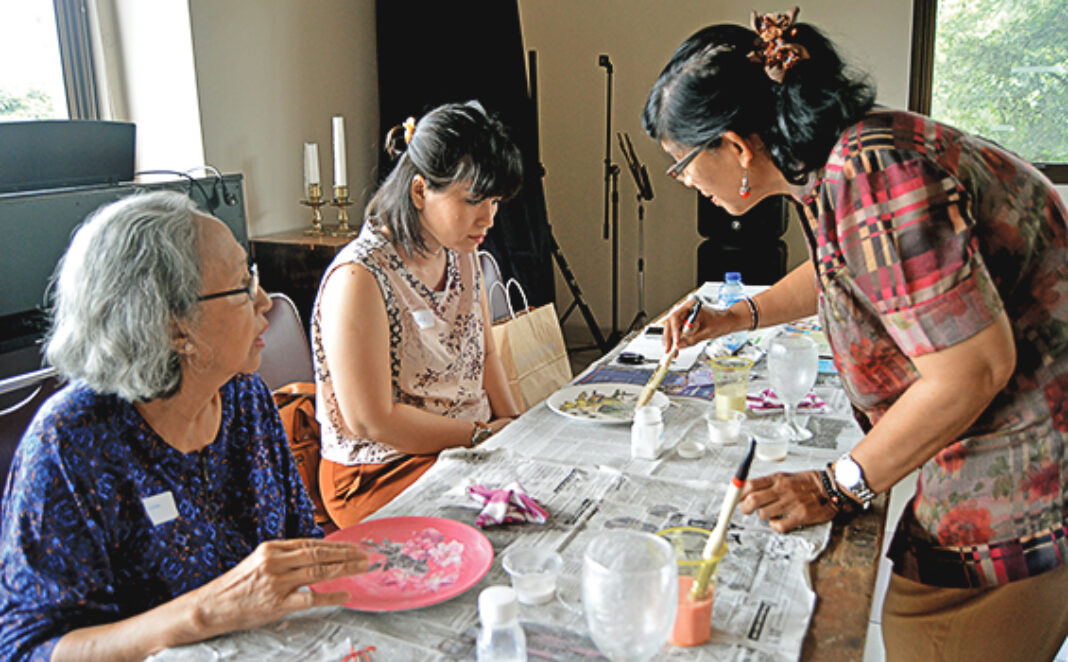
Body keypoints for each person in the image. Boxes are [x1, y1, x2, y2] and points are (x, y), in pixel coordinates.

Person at [644, 8, 1068, 660]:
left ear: (734, 147)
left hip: (1029, 459)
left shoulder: (875, 176)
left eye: (681, 164)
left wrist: (836, 484)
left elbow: (973, 370)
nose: (686, 183)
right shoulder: (840, 161)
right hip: (1007, 434)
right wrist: (737, 316)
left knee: (928, 631)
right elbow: (842, 266)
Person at [0, 192, 368, 662]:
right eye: (241, 285)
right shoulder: (70, 441)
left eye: (251, 274)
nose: (263, 300)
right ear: (175, 328)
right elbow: (26, 649)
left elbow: (300, 538)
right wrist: (201, 614)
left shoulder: (242, 394)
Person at [312, 101, 524, 527]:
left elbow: (485, 356)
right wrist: (481, 435)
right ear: (420, 191)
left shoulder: (462, 251)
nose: (488, 219)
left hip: (462, 444)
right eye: (474, 200)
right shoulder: (360, 276)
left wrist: (516, 427)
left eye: (495, 202)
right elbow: (371, 420)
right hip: (380, 467)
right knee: (505, 519)